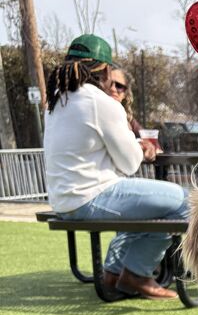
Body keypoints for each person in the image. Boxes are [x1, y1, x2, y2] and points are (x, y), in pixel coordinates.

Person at [43, 34, 188, 300]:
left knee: (156, 206)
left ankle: (114, 272)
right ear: (105, 70)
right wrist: (142, 148)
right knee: (185, 201)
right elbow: (130, 164)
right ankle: (137, 273)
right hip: (90, 197)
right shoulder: (100, 103)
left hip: (64, 200)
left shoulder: (56, 100)